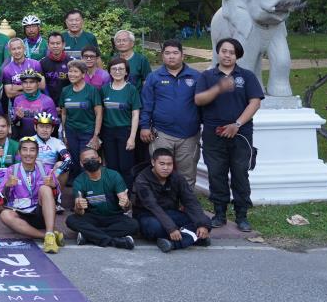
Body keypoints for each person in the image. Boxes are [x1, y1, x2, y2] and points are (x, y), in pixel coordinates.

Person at [194, 37, 263, 231]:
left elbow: (255, 102)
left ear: (237, 56)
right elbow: (199, 100)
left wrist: (237, 124)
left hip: (240, 133)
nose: (227, 55)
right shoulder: (207, 76)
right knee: (216, 173)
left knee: (240, 173)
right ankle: (219, 213)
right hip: (213, 133)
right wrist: (219, 88)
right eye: (224, 51)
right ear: (218, 53)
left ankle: (242, 215)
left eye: (232, 52)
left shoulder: (246, 76)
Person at [140, 40, 203, 182]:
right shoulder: (154, 77)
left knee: (187, 175)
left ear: (182, 55)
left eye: (175, 53)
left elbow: (203, 104)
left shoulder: (196, 76)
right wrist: (144, 126)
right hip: (161, 133)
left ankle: (185, 197)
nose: (171, 56)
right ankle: (160, 197)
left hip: (189, 135)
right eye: (167, 53)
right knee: (160, 173)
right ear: (162, 56)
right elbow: (146, 104)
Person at [132, 147, 212, 252]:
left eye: (169, 164)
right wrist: (171, 228)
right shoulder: (142, 179)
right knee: (155, 227)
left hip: (170, 213)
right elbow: (153, 206)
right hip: (147, 215)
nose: (166, 168)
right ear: (153, 162)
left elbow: (190, 201)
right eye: (162, 164)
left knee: (205, 220)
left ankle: (174, 243)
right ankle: (195, 238)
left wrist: (202, 225)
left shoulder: (177, 178)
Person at [0, 136, 62, 252]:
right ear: (19, 153)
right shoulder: (12, 170)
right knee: (5, 215)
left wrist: (54, 186)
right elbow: (2, 201)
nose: (28, 153)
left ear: (37, 153)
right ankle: (47, 236)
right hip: (21, 214)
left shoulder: (46, 170)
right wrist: (7, 186)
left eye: (32, 150)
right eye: (25, 149)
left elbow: (58, 200)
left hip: (41, 213)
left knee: (45, 189)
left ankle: (50, 232)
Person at [65, 146, 138, 250]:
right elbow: (79, 212)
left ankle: (90, 236)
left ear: (99, 159)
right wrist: (79, 207)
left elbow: (126, 207)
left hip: (114, 217)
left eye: (93, 158)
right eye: (86, 160)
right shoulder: (79, 181)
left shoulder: (113, 175)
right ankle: (114, 241)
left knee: (133, 225)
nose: (90, 161)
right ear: (81, 164)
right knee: (71, 220)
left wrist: (126, 203)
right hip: (92, 217)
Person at [58, 59, 103, 181]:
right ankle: (75, 185)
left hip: (88, 132)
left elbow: (99, 114)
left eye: (75, 71)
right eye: (70, 71)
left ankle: (87, 184)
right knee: (73, 159)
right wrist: (64, 134)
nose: (71, 74)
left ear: (83, 74)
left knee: (86, 159)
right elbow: (64, 113)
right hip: (71, 131)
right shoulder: (65, 91)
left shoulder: (92, 90)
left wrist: (96, 135)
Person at [100, 57, 141, 184]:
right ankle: (114, 192)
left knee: (126, 166)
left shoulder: (131, 89)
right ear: (109, 71)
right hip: (108, 132)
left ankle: (127, 193)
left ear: (126, 72)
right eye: (114, 69)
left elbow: (135, 114)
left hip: (125, 131)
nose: (117, 71)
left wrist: (132, 138)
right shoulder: (104, 89)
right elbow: (100, 112)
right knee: (112, 166)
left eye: (121, 69)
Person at [33, 112, 73, 195]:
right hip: (33, 172)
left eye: (48, 127)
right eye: (41, 126)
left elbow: (68, 160)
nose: (44, 130)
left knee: (61, 164)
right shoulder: (28, 140)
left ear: (52, 129)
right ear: (35, 127)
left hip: (51, 174)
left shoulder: (57, 142)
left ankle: (58, 195)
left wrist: (56, 174)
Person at [11, 69, 58, 138]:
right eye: (25, 82)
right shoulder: (17, 100)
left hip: (41, 140)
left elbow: (54, 125)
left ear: (38, 84)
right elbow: (14, 124)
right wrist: (17, 118)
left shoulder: (47, 101)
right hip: (23, 139)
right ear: (22, 84)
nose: (28, 85)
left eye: (32, 82)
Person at [40, 32, 71, 102]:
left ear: (63, 45)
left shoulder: (71, 62)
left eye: (58, 43)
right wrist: (48, 101)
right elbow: (42, 87)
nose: (55, 46)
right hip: (48, 101)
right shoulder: (42, 63)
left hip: (68, 100)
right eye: (52, 43)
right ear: (48, 45)